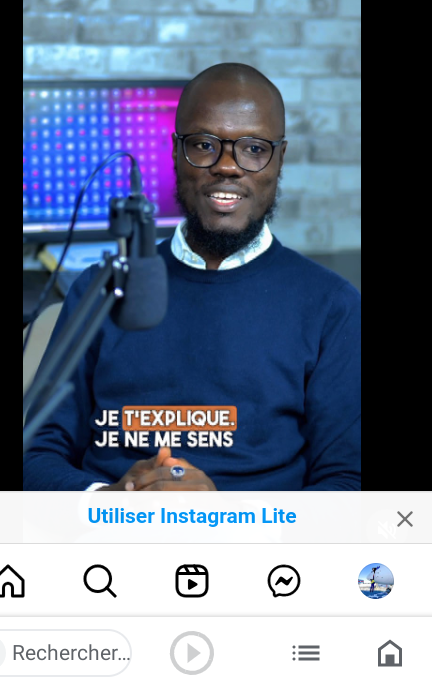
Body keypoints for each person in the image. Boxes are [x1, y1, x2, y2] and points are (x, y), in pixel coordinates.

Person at [23, 62, 361, 491]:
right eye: (204, 145)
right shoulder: (99, 289)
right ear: (175, 151)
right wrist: (108, 500)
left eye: (254, 148)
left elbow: (347, 483)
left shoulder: (332, 306)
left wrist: (224, 515)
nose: (228, 167)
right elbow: (35, 454)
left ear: (279, 160)